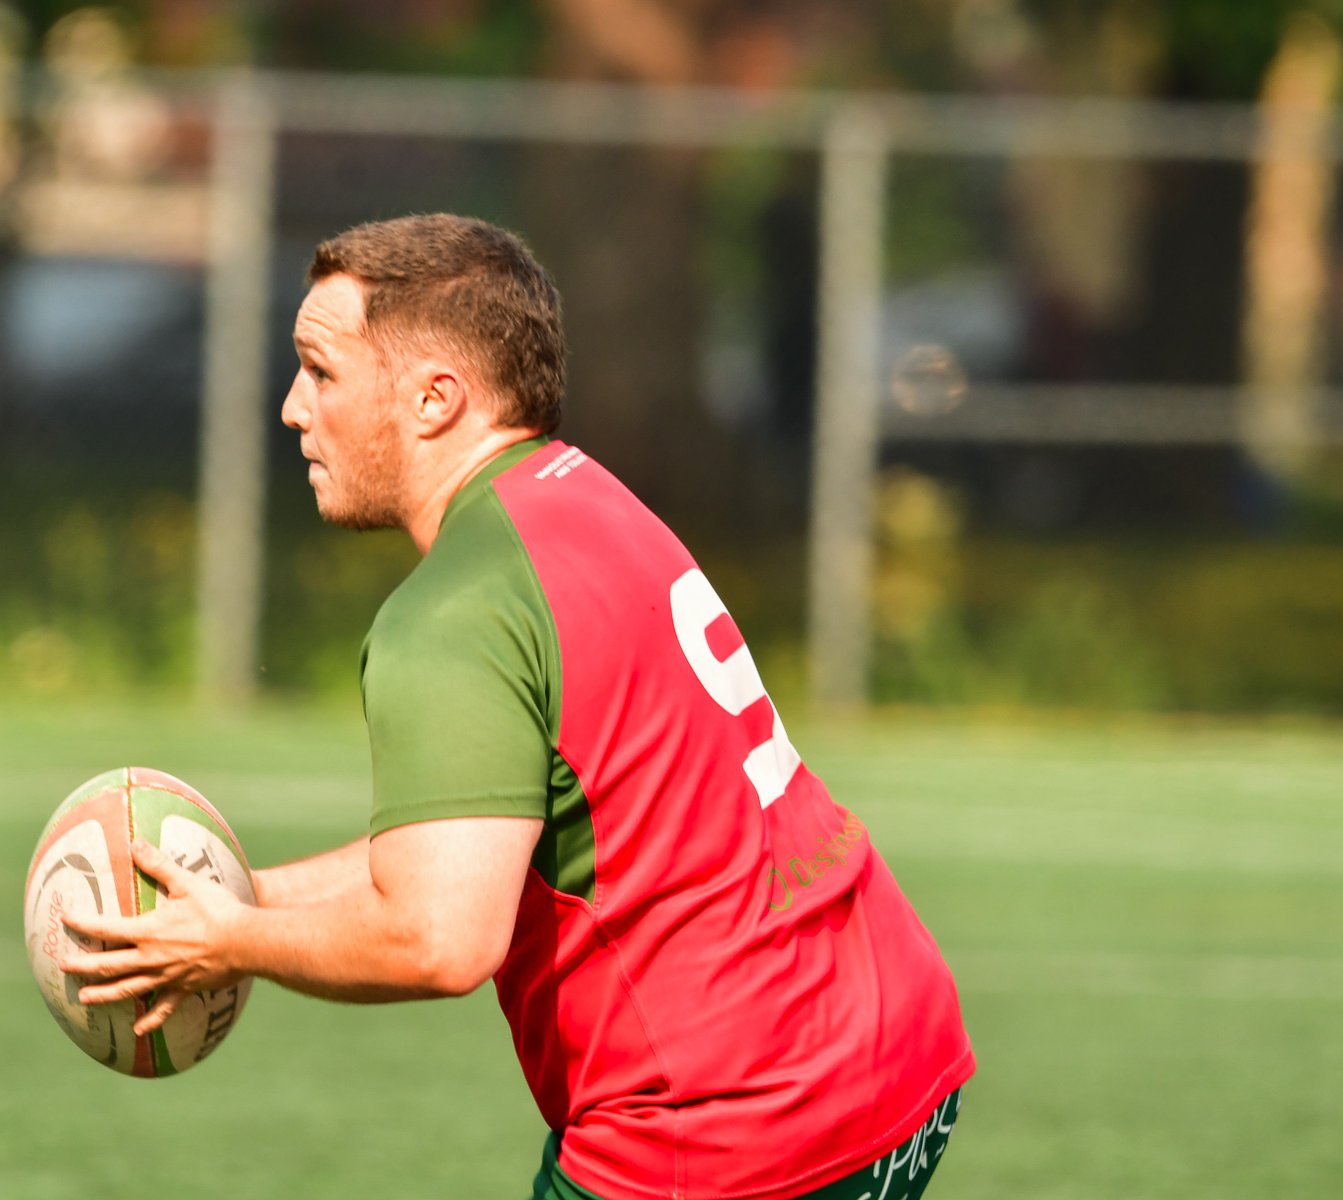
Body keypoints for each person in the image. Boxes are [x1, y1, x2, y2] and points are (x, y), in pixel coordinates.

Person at [62, 214, 975, 1200]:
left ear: (434, 399)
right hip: (894, 1058)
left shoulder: (452, 614)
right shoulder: (584, 499)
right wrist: (242, 896)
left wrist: (227, 944)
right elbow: (473, 843)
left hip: (732, 1126)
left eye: (321, 372)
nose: (292, 408)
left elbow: (439, 938)